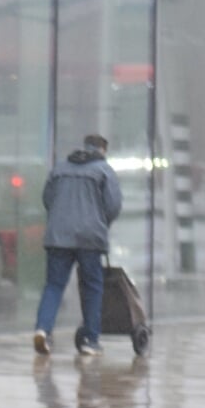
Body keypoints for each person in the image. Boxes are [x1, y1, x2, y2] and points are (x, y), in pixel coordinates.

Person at [33, 133, 123, 357]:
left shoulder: (60, 169)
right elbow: (113, 206)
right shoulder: (104, 170)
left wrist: (62, 218)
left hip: (58, 237)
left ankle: (43, 330)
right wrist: (100, 223)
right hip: (89, 239)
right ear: (102, 150)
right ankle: (90, 341)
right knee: (92, 287)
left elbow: (48, 199)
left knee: (54, 285)